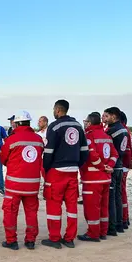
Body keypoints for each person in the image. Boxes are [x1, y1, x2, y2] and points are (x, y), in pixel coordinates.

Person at [42, 100, 89, 249]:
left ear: (57, 110)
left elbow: (48, 152)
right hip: (73, 171)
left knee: (54, 205)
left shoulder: (54, 126)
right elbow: (84, 151)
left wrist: (47, 169)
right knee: (72, 206)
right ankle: (69, 238)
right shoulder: (78, 126)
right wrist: (76, 164)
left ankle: (54, 238)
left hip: (56, 171)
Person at [0, 111, 43, 250]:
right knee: (31, 213)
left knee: (10, 212)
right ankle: (30, 241)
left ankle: (11, 241)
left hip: (14, 185)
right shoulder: (38, 139)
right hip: (32, 185)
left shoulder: (12, 139)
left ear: (17, 123)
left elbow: (3, 158)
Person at [77, 112, 119, 242]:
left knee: (92, 208)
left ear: (89, 123)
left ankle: (93, 234)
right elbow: (114, 154)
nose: (84, 123)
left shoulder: (89, 136)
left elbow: (92, 155)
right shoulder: (106, 136)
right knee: (103, 207)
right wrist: (109, 166)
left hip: (92, 178)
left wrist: (102, 167)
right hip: (106, 178)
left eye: (86, 121)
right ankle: (103, 231)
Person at [103, 107, 129, 235]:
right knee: (118, 196)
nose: (105, 119)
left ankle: (112, 226)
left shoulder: (112, 130)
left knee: (111, 197)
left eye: (107, 116)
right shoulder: (124, 129)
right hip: (120, 165)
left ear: (113, 116)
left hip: (113, 166)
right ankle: (120, 224)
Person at [120, 111, 132, 229]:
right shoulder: (127, 130)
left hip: (123, 165)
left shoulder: (123, 131)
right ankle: (125, 218)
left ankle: (124, 218)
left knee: (121, 192)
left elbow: (127, 150)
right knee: (122, 192)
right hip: (126, 165)